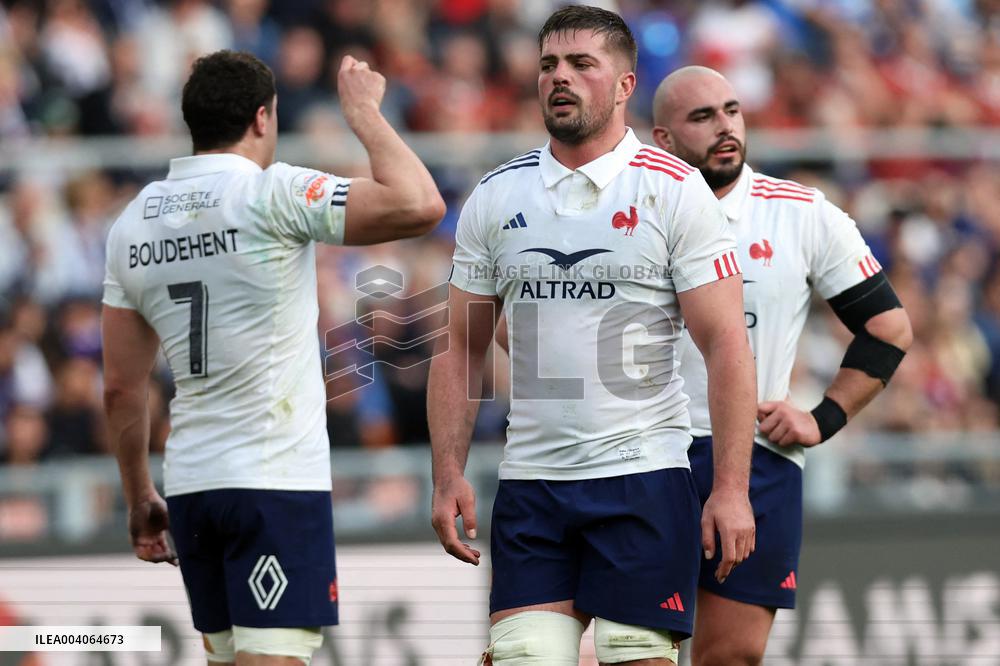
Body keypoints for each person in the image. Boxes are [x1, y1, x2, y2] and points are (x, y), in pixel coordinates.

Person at [428, 8, 757, 666]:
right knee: (523, 656)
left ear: (626, 83)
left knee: (635, 654)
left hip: (643, 477)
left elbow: (725, 345)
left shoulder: (675, 191)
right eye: (549, 64)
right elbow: (462, 346)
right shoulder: (496, 196)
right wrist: (446, 473)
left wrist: (730, 487)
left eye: (582, 64)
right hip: (532, 483)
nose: (560, 77)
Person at [101, 50, 444, 666]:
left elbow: (122, 390)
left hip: (191, 486)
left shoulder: (132, 223)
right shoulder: (274, 191)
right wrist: (364, 113)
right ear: (263, 118)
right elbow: (419, 203)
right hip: (273, 479)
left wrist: (139, 497)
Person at [651, 66, 913, 666]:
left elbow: (889, 328)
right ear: (663, 138)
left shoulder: (801, 213)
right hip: (642, 451)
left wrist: (823, 418)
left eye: (732, 111)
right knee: (630, 649)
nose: (725, 128)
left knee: (732, 656)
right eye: (703, 117)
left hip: (754, 459)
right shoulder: (632, 212)